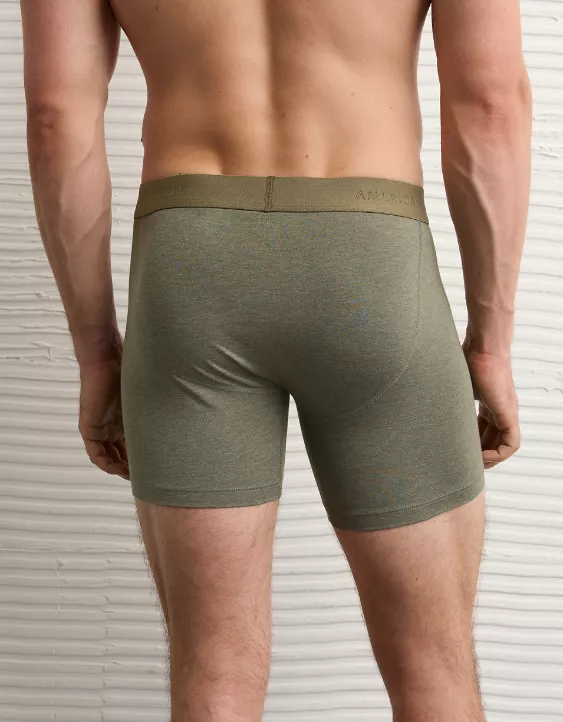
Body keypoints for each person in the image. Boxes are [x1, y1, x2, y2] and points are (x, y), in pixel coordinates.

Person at [19, 0, 532, 720]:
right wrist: (491, 346)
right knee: (432, 670)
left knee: (214, 676)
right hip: (372, 272)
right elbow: (490, 104)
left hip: (191, 277)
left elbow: (55, 118)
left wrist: (98, 353)